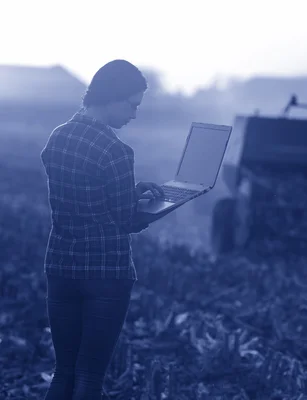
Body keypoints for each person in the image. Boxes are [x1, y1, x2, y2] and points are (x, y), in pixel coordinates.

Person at [40, 59, 164, 400]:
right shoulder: (116, 150)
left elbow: (84, 191)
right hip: (105, 273)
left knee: (64, 371)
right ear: (112, 96)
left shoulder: (58, 138)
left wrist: (129, 191)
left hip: (61, 266)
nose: (134, 114)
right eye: (132, 104)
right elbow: (126, 220)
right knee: (90, 377)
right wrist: (160, 208)